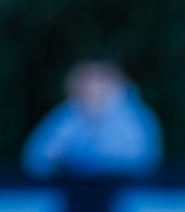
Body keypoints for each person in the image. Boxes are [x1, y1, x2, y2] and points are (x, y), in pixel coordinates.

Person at [20, 59, 162, 178]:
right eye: (85, 81)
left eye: (98, 80)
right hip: (75, 194)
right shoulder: (67, 116)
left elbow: (143, 160)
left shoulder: (134, 118)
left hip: (123, 199)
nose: (91, 87)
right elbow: (37, 159)